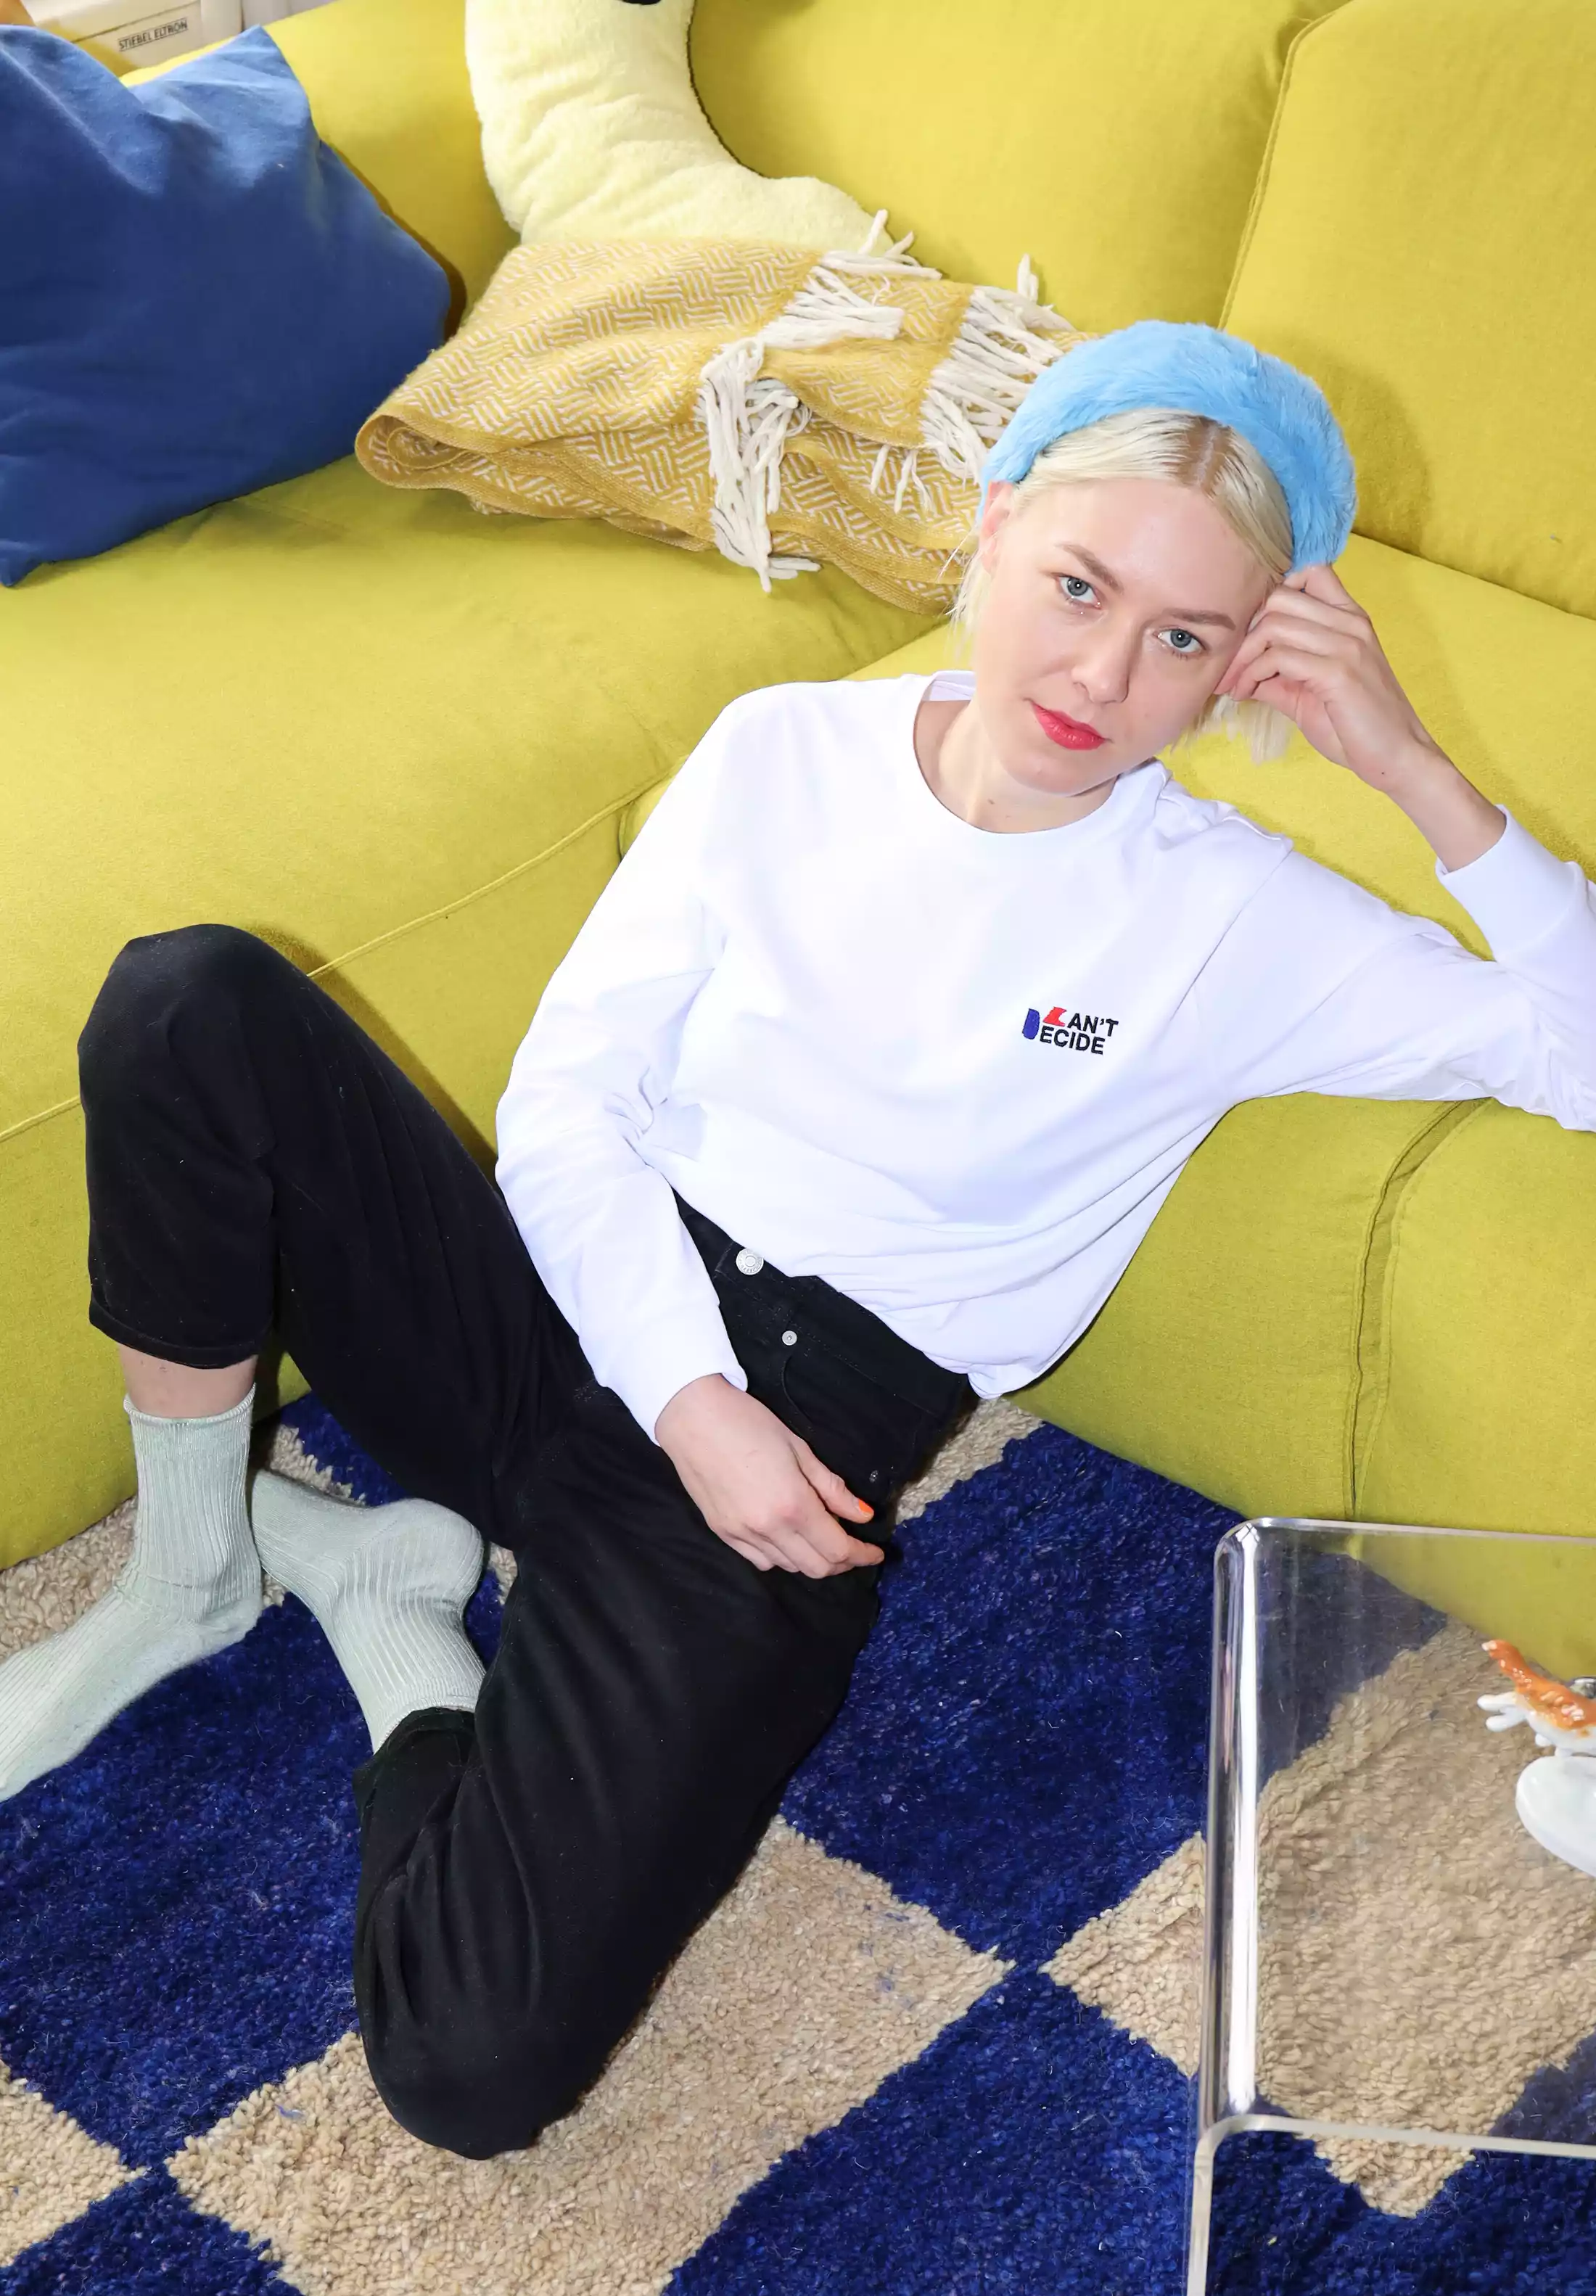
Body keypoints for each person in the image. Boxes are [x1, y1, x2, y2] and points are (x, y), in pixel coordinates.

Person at [4, 321, 1592, 2160]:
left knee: (468, 2068)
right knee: (189, 1002)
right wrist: (684, 1395)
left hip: (782, 1479)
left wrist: (1410, 768)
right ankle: (194, 1567)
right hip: (576, 1298)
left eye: (1182, 637)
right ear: (992, 526)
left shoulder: (1227, 922)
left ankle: (389, 1611)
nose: (1099, 673)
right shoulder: (782, 751)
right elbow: (568, 1105)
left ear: (1248, 658)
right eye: (1077, 584)